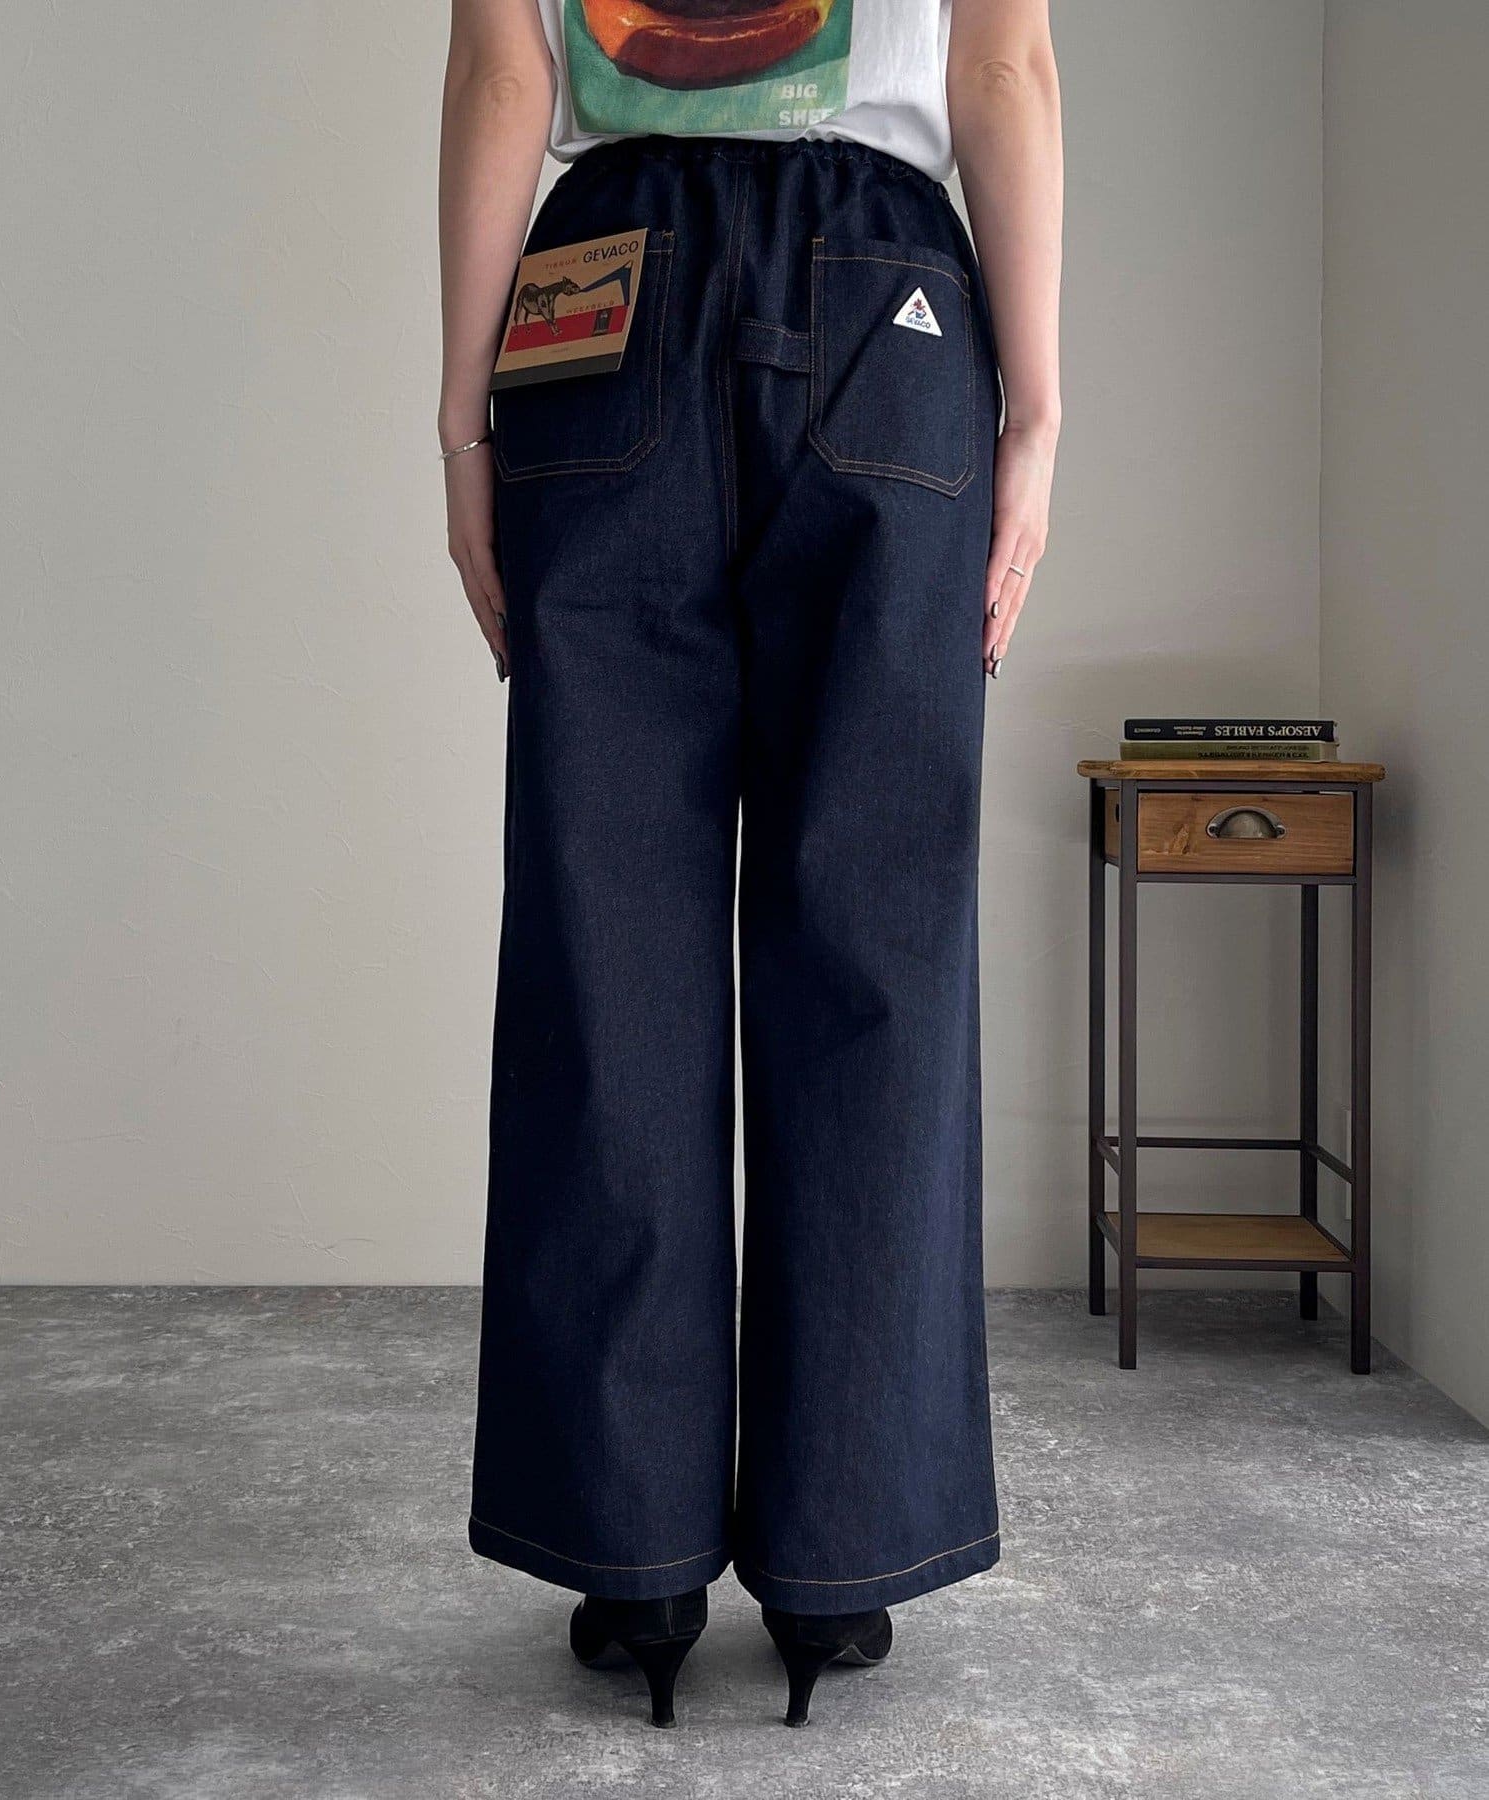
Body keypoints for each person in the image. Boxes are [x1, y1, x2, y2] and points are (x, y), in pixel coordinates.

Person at [439, 0, 1062, 1729]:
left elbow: (506, 69)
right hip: (886, 287)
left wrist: (461, 421)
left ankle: (627, 1551)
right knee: (874, 940)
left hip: (604, 283)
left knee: (604, 929)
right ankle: (841, 1556)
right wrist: (1034, 410)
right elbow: (1000, 65)